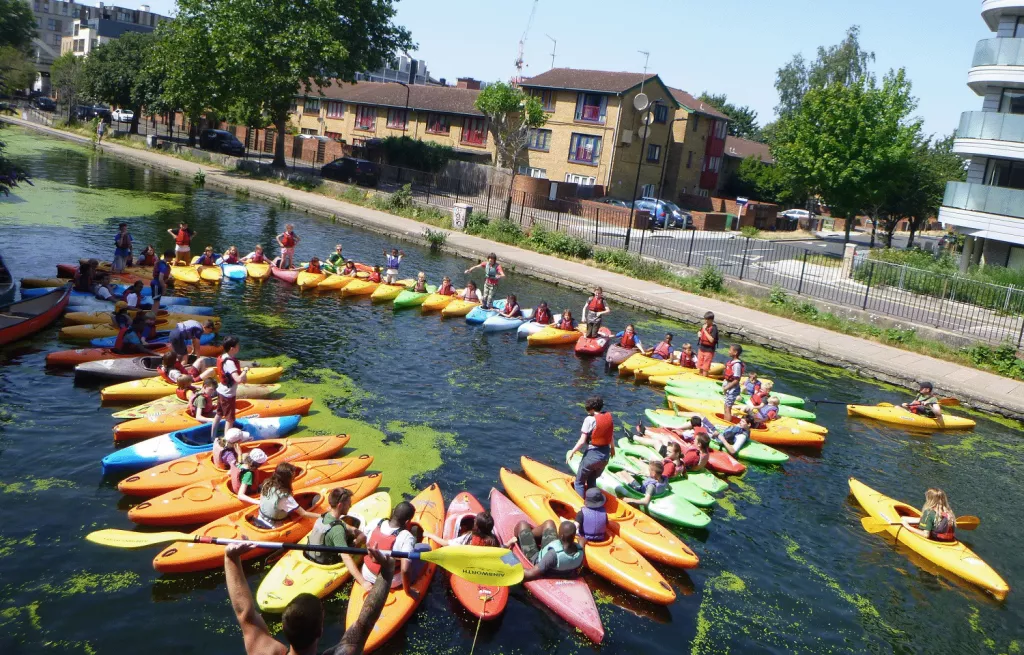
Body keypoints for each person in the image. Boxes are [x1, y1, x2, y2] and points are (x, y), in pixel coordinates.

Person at [304, 488, 372, 588]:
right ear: (340, 505)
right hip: (327, 561)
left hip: (311, 555)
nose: (350, 506)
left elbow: (343, 525)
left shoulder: (325, 516)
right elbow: (346, 557)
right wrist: (363, 582)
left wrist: (356, 534)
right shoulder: (337, 530)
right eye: (349, 503)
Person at [361, 501, 421, 597]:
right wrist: (408, 591)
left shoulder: (376, 522)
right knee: (424, 548)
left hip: (367, 574)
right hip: (391, 582)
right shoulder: (406, 537)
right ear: (407, 522)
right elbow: (405, 570)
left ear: (393, 512)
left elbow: (362, 536)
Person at [237, 463, 320, 528]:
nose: (294, 478)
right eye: (293, 477)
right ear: (287, 479)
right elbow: (304, 514)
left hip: (259, 518)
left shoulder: (267, 483)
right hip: (273, 526)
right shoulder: (285, 497)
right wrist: (322, 516)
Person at [567, 396, 615, 498]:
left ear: (592, 409)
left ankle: (581, 507)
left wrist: (572, 452)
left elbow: (582, 441)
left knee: (579, 482)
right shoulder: (608, 417)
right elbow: (610, 436)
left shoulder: (589, 419)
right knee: (592, 480)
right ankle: (594, 503)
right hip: (605, 456)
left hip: (592, 456)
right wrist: (612, 449)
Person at [512, 519, 585, 581]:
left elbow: (531, 574)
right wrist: (582, 542)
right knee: (549, 523)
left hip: (536, 558)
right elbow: (581, 548)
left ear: (561, 536)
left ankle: (524, 536)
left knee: (522, 524)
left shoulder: (553, 555)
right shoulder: (580, 551)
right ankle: (528, 535)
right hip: (553, 554)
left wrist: (512, 569)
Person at [214, 336, 249, 438]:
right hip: (228, 394)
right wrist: (245, 371)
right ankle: (227, 441)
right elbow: (238, 379)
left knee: (219, 414)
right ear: (232, 348)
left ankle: (213, 436)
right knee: (230, 419)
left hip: (221, 391)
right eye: (237, 346)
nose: (239, 347)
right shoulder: (229, 362)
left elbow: (243, 380)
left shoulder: (224, 356)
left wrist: (243, 374)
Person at [423, 512, 501, 548]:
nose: (474, 521)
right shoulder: (493, 540)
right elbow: (501, 549)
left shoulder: (469, 537)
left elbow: (445, 543)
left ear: (476, 526)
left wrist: (430, 534)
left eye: (475, 521)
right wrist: (509, 543)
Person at [721, 344, 745, 421]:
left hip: (732, 388)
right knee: (725, 406)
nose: (729, 351)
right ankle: (725, 420)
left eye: (730, 350)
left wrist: (727, 387)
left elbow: (737, 379)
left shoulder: (737, 365)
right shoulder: (731, 362)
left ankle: (727, 423)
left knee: (728, 408)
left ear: (735, 352)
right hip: (728, 386)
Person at [696, 311, 719, 377]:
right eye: (705, 319)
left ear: (711, 320)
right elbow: (700, 332)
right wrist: (699, 333)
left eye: (707, 320)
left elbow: (711, 340)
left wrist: (705, 330)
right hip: (701, 348)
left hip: (709, 350)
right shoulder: (704, 326)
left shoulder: (714, 328)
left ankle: (704, 379)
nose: (705, 321)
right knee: (700, 365)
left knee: (705, 368)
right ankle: (700, 377)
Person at [150, 249, 173, 314]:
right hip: (157, 284)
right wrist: (164, 288)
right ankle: (153, 316)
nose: (172, 259)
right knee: (156, 302)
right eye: (171, 258)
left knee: (156, 301)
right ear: (168, 257)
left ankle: (153, 314)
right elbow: (160, 278)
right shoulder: (163, 265)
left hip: (155, 283)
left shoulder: (161, 263)